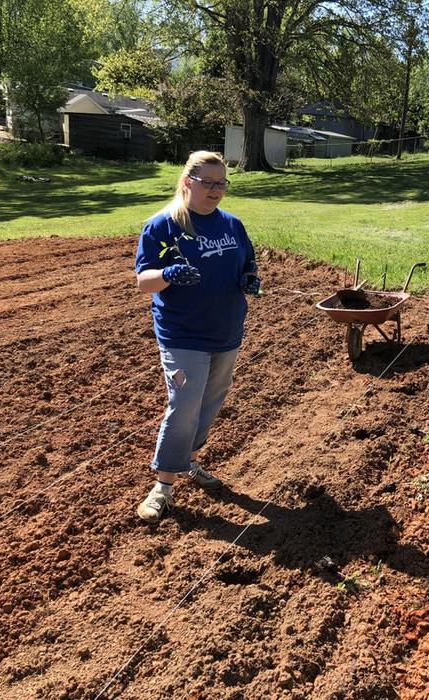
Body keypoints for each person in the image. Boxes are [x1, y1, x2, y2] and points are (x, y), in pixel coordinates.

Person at [134, 151, 261, 522]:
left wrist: (250, 279)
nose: (216, 190)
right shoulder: (163, 226)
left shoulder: (232, 225)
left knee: (210, 401)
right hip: (183, 333)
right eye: (208, 183)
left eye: (222, 183)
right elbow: (144, 281)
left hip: (226, 330)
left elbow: (247, 263)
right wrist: (170, 273)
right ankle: (164, 485)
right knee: (185, 404)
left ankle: (189, 460)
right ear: (187, 182)